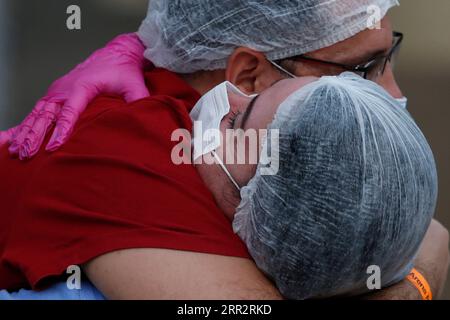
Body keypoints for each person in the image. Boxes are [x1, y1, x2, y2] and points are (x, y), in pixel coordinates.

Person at [0, 0, 448, 299]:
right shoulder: (127, 155)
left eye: (388, 57)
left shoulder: (248, 149)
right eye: (360, 70)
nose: (391, 95)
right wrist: (420, 274)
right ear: (249, 75)